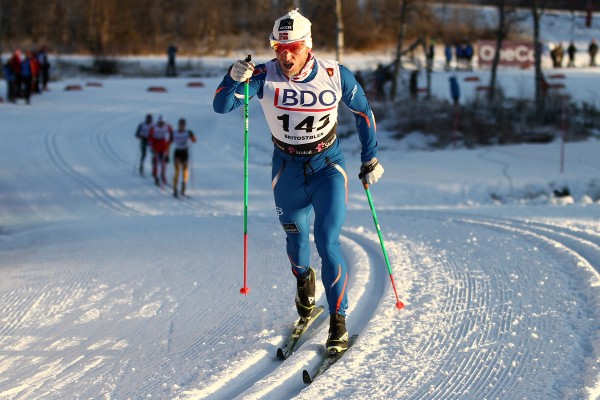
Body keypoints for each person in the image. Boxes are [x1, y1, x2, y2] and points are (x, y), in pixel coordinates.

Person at [213, 9, 383, 353]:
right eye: (278, 47)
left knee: (327, 240)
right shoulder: (262, 75)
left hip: (327, 167)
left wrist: (371, 158)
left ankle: (338, 321)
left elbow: (363, 112)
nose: (285, 55)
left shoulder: (336, 74)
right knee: (296, 240)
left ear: (308, 45)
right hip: (286, 168)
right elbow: (222, 105)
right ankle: (304, 279)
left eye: (292, 47)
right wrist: (232, 78)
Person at [170, 118, 197, 197]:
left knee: (185, 170)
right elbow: (169, 142)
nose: (182, 126)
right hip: (177, 153)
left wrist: (192, 136)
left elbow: (194, 140)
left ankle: (183, 186)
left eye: (183, 125)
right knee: (177, 171)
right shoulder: (174, 133)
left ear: (185, 125)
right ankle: (175, 189)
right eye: (181, 125)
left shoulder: (187, 132)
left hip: (184, 153)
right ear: (179, 125)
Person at [148, 116, 173, 186]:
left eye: (163, 123)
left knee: (164, 161)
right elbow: (150, 138)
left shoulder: (167, 126)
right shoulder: (154, 128)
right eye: (160, 123)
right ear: (157, 122)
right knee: (156, 160)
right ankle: (156, 176)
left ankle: (162, 175)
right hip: (156, 144)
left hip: (163, 144)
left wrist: (171, 140)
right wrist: (151, 146)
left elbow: (172, 133)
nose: (161, 124)